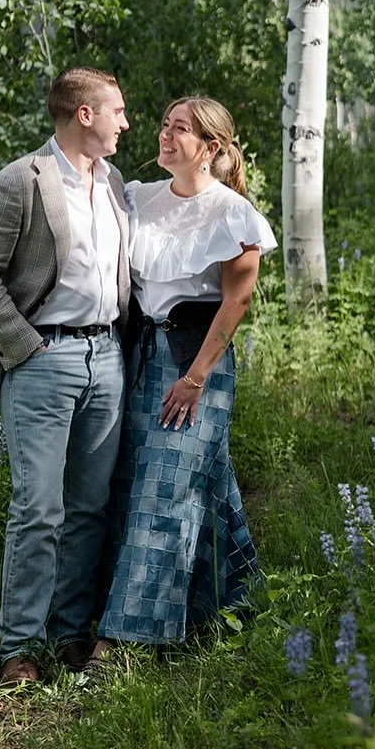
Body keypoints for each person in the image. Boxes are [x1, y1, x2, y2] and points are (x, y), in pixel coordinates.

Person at [0, 67, 130, 686]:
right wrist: (25, 347)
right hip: (42, 362)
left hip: (107, 357)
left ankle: (71, 634)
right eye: (116, 112)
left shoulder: (116, 186)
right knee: (38, 509)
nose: (125, 124)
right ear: (85, 115)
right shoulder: (17, 183)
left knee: (88, 508)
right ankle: (18, 650)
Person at [94, 96, 275, 655]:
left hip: (199, 362)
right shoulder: (138, 198)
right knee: (163, 482)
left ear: (211, 148)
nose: (166, 136)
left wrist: (195, 378)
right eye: (165, 125)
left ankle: (122, 642)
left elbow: (237, 301)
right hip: (143, 352)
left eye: (182, 130)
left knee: (165, 491)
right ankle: (231, 604)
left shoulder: (232, 213)